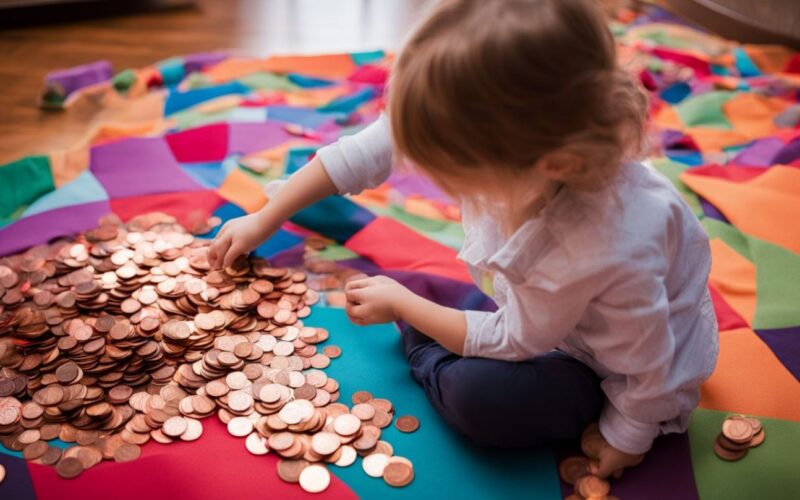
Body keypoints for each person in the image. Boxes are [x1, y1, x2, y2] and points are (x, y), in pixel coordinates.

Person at [209, 0, 718, 478]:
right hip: (547, 316)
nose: (431, 174)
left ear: (548, 165)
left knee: (481, 400)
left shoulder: (598, 249)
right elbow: (366, 152)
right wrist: (265, 216)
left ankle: (432, 341)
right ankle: (438, 321)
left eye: (449, 170)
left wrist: (628, 437)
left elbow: (648, 362)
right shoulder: (522, 143)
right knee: (453, 319)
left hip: (613, 375)